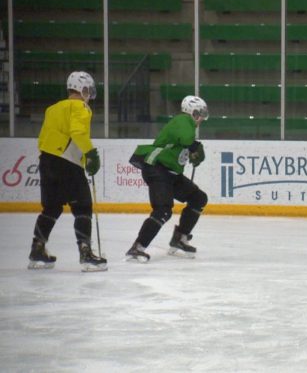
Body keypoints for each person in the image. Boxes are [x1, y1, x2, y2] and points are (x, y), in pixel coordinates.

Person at [28, 71, 107, 272]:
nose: (89, 95)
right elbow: (78, 132)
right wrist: (90, 154)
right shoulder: (81, 107)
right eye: (88, 90)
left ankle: (37, 251)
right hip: (68, 162)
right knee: (83, 207)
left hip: (46, 161)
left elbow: (43, 139)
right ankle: (86, 254)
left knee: (51, 208)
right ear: (83, 89)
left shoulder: (52, 108)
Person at [125, 96, 209, 262]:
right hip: (157, 169)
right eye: (201, 114)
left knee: (198, 198)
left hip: (170, 173)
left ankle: (180, 238)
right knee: (163, 210)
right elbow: (186, 139)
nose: (202, 119)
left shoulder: (186, 125)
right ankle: (137, 248)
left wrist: (194, 153)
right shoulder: (183, 119)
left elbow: (183, 144)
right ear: (193, 112)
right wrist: (195, 147)